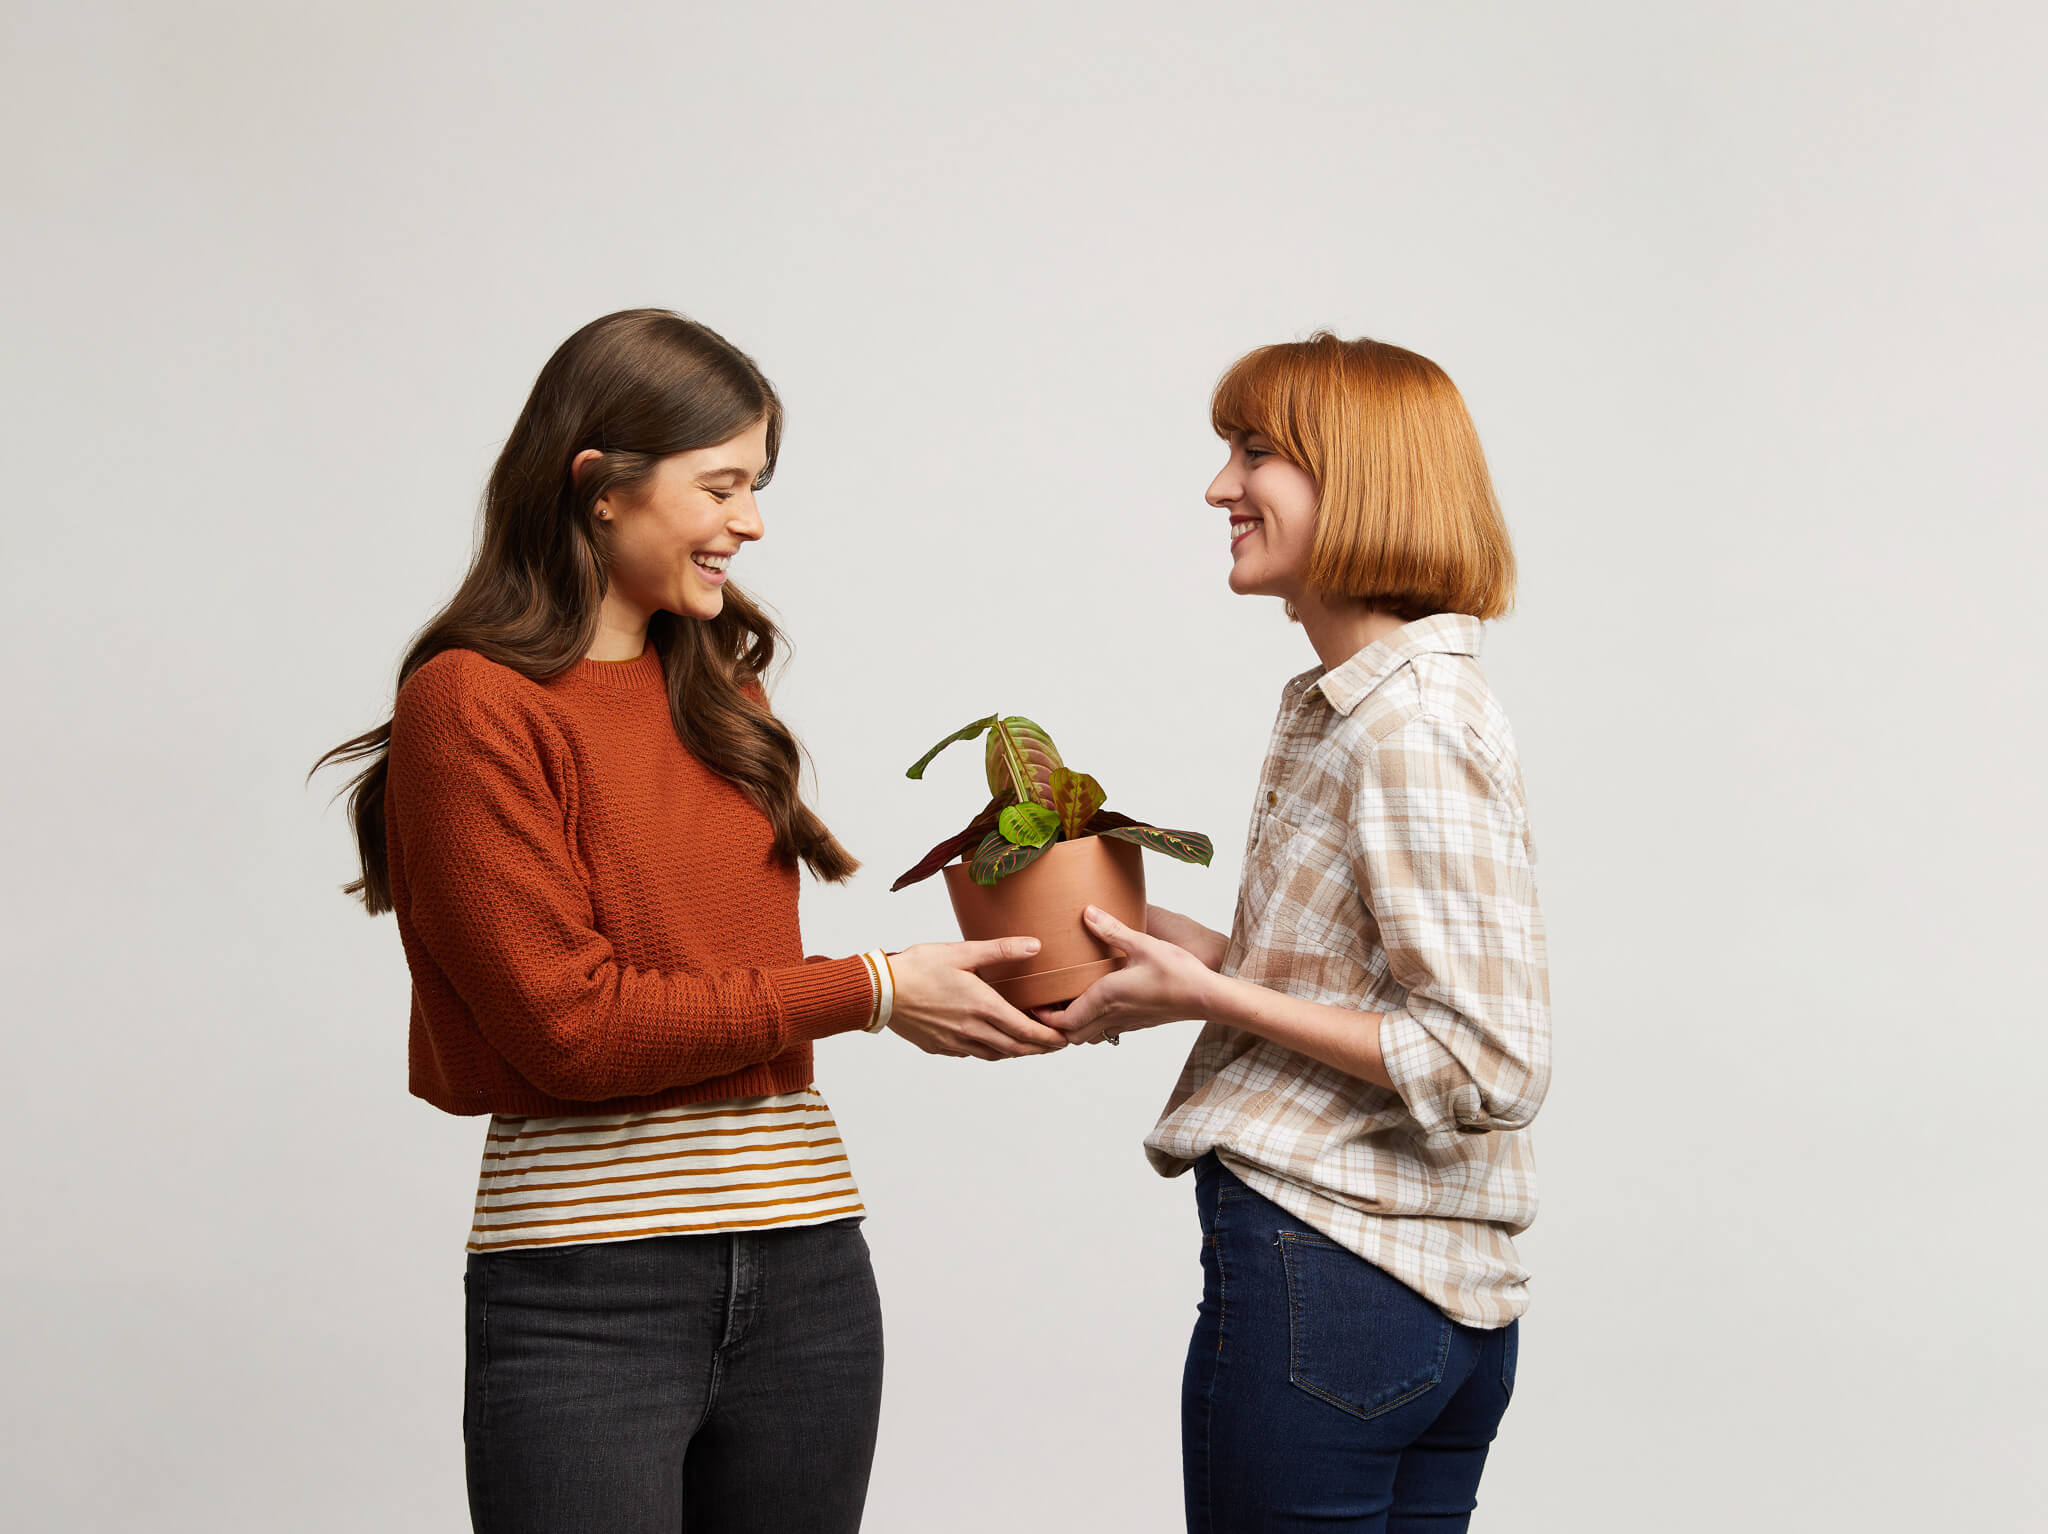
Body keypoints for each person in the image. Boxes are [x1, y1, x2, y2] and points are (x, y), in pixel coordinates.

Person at [311, 308, 1065, 1534]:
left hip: (810, 1260)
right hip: (587, 1287)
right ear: (599, 487)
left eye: (756, 485)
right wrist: (871, 988)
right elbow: (573, 1028)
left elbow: (728, 974)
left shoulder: (716, 681)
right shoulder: (471, 705)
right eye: (721, 484)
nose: (752, 522)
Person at [1047, 333, 1550, 1532]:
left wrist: (1215, 999)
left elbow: (1488, 1058)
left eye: (1256, 452)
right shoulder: (1364, 706)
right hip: (1417, 1300)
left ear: (1363, 477)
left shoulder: (1406, 723)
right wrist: (1188, 958)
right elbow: (1375, 991)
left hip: (1334, 1274)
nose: (1219, 486)